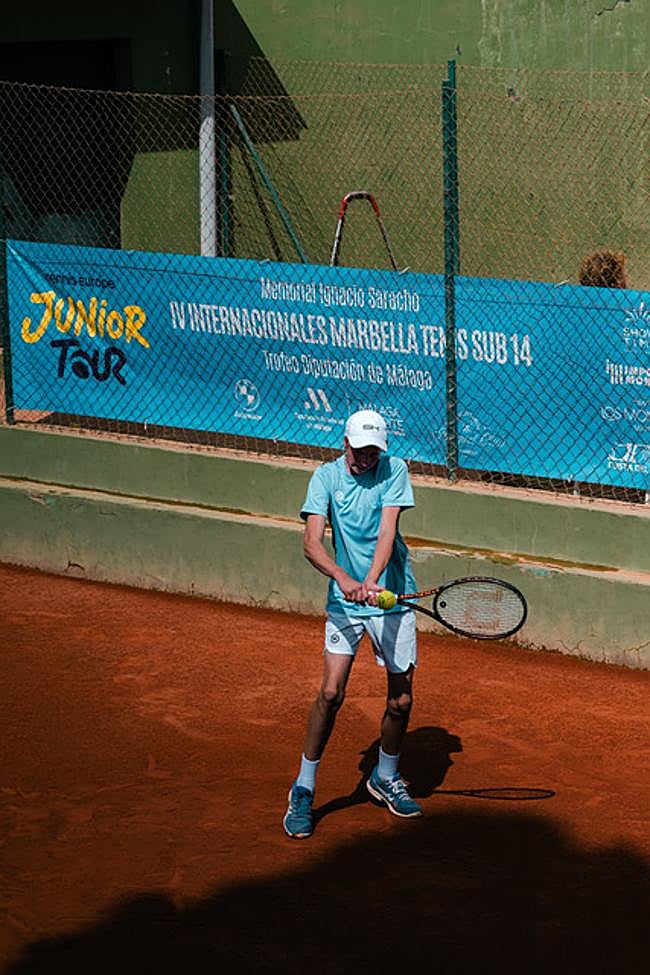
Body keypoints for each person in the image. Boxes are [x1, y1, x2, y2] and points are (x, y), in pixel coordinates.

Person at [283, 408, 422, 839]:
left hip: (390, 596)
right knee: (330, 692)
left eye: (373, 452)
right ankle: (303, 789)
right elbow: (312, 542)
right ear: (345, 444)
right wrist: (344, 578)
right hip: (345, 601)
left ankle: (385, 776)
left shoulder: (394, 470)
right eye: (360, 451)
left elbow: (387, 532)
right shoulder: (324, 478)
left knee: (400, 701)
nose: (366, 459)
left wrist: (373, 579)